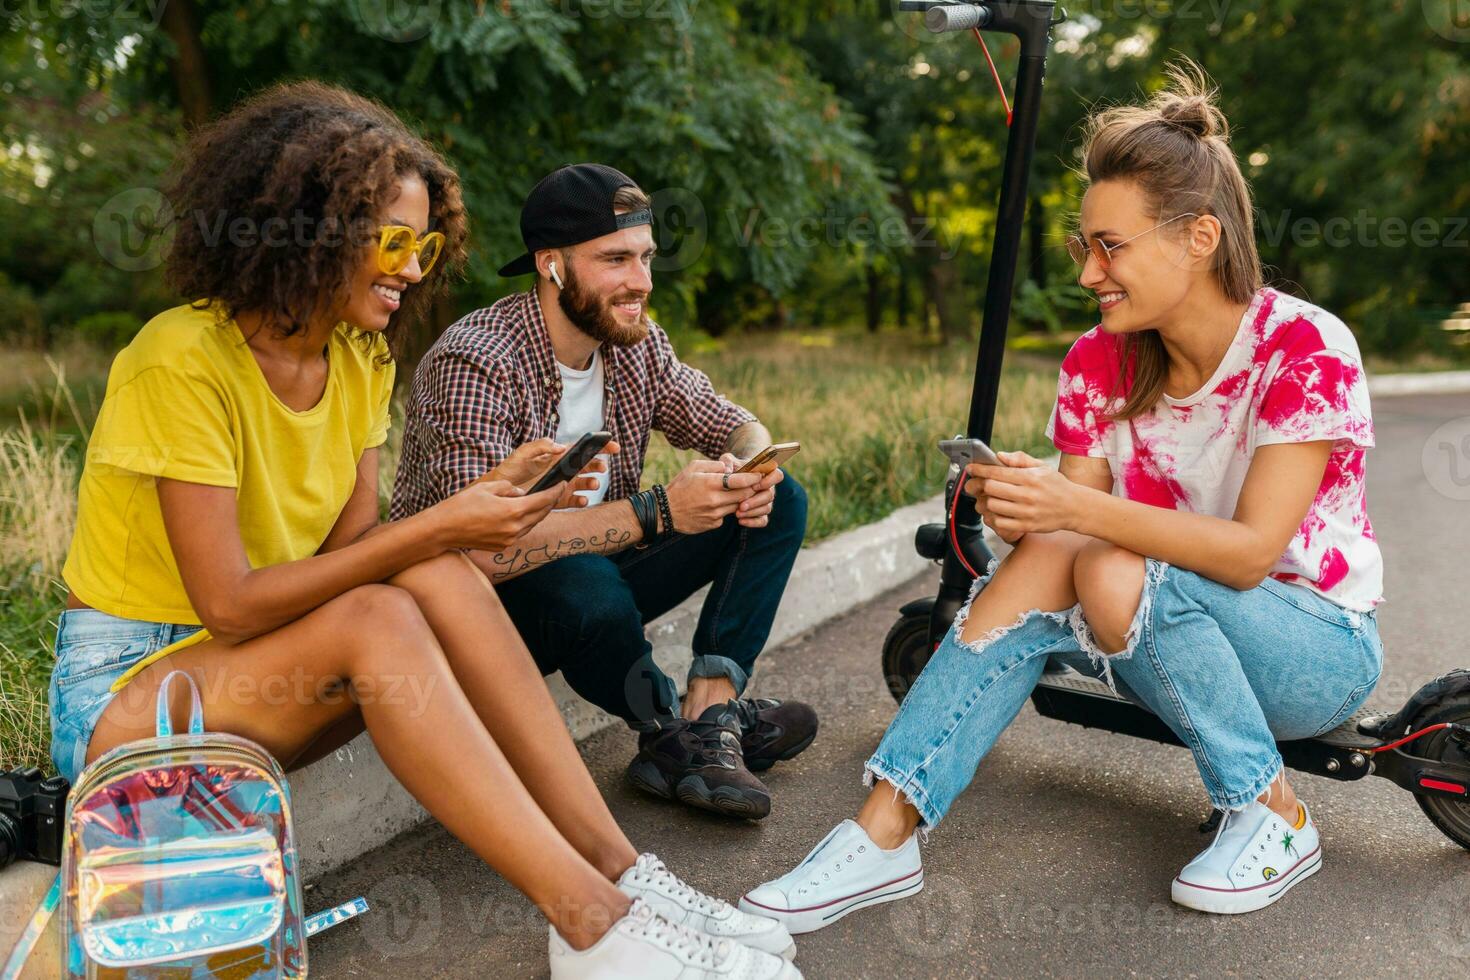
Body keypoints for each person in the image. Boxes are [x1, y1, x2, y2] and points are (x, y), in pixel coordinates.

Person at [50, 82, 799, 979]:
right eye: (394, 243)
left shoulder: (360, 359)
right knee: (401, 596)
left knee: (436, 581)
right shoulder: (180, 358)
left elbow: (354, 562)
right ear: (313, 232)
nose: (414, 268)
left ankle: (623, 876)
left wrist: (483, 518)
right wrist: (450, 521)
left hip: (251, 679)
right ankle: (591, 921)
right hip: (132, 700)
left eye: (425, 244)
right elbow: (233, 602)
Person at [741, 60, 1383, 932]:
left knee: (1108, 561)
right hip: (1151, 635)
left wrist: (1073, 511)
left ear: (1199, 237)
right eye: (1085, 246)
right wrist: (1026, 507)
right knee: (1060, 555)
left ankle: (1274, 813)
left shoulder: (1304, 347)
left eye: (1110, 246)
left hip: (1311, 647)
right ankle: (881, 834)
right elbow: (1066, 542)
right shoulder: (1096, 362)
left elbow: (1250, 553)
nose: (1088, 272)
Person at [391, 163, 817, 821]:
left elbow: (724, 420)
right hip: (481, 611)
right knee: (588, 586)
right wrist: (657, 512)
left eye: (645, 258)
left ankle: (708, 720)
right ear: (552, 264)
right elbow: (473, 551)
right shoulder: (476, 359)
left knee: (781, 498)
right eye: (615, 259)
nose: (641, 282)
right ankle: (664, 729)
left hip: (598, 576)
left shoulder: (633, 344)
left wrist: (752, 466)